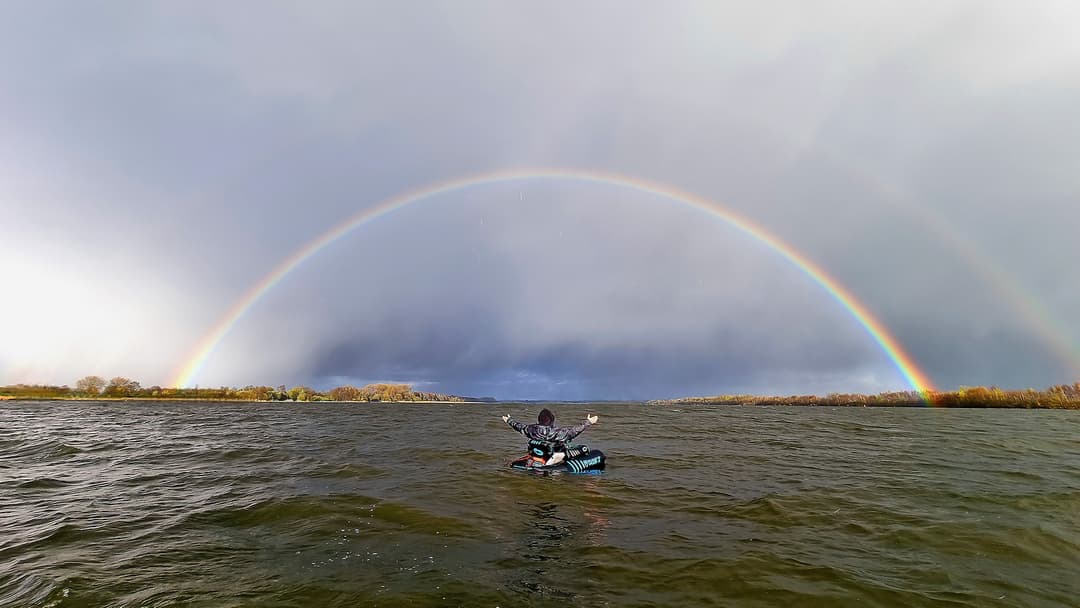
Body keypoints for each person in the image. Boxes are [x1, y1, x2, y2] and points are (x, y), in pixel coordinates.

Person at [502, 408, 599, 466]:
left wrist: (509, 420)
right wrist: (589, 422)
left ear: (539, 420)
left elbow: (518, 426)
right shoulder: (556, 432)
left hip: (537, 456)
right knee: (583, 448)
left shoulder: (530, 429)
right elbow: (574, 431)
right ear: (551, 421)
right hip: (551, 459)